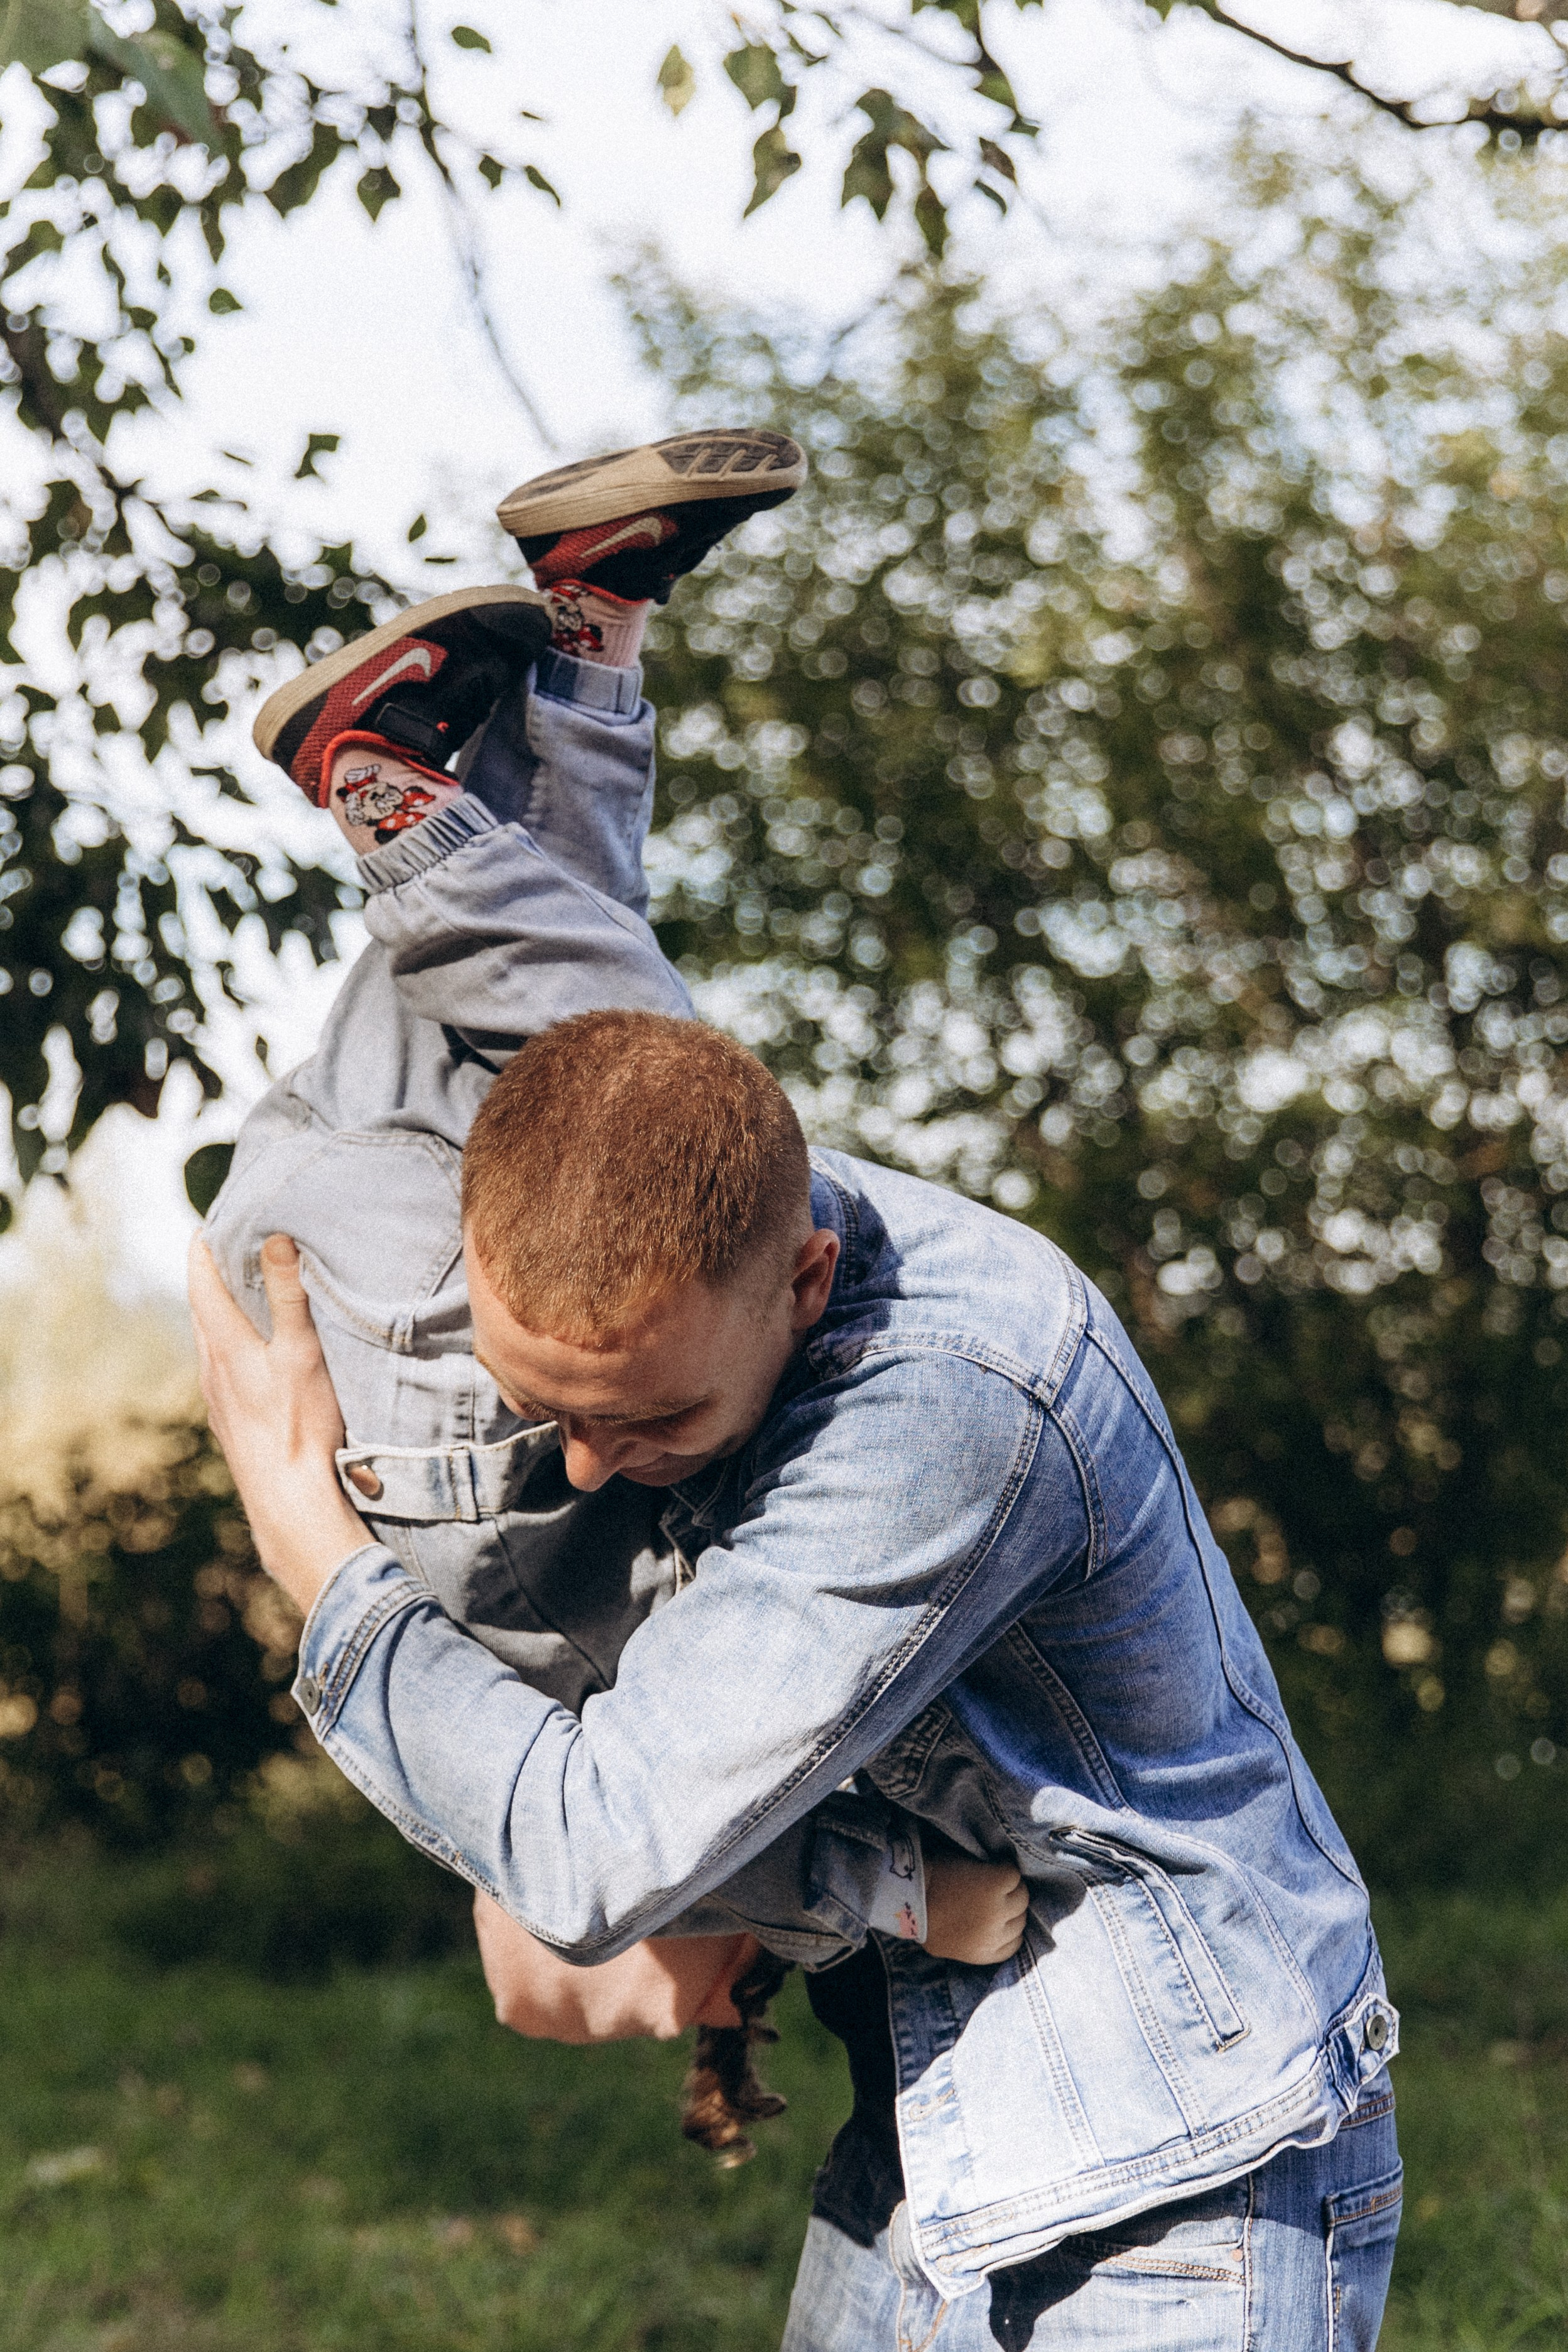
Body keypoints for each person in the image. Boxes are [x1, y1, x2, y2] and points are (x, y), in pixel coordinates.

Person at [191, 434, 1403, 2349]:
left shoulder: (946, 1405)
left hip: (1166, 2174)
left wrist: (316, 1557)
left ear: (811, 1285)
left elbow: (584, 1862)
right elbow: (589, 1080)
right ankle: (545, 685)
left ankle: (465, 762)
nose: (598, 1468)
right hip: (942, 2125)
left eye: (652, 1427)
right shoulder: (706, 1229)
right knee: (533, 1097)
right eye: (548, 1404)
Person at [199, 429, 1028, 2150]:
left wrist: (917, 1906)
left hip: (434, 1380)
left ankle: (420, 766)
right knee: (608, 1068)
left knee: (651, 1112)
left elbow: (588, 1901)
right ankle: (572, 655)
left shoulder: (608, 1833)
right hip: (320, 1239)